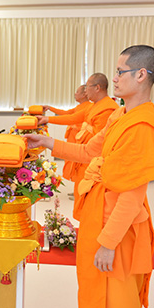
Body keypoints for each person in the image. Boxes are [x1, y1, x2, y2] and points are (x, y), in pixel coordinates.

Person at [27, 45, 154, 308]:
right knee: (101, 289)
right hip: (99, 214)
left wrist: (108, 242)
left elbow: (132, 193)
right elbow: (89, 151)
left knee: (122, 298)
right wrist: (48, 143)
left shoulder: (143, 127)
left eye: (120, 72)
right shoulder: (121, 114)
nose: (114, 78)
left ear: (141, 75)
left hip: (120, 228)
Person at [37, 74, 118, 219]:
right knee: (80, 194)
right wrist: (47, 118)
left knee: (89, 201)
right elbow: (73, 117)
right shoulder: (94, 106)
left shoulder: (108, 109)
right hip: (83, 157)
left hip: (92, 162)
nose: (86, 91)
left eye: (88, 87)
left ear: (97, 88)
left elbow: (99, 146)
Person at [43, 84, 92, 183]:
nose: (75, 94)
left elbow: (72, 119)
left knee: (78, 163)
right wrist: (50, 108)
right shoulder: (79, 107)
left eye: (77, 92)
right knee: (72, 162)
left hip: (80, 139)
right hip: (73, 136)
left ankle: (79, 187)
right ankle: (76, 185)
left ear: (84, 94)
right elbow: (66, 113)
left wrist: (47, 119)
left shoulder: (89, 107)